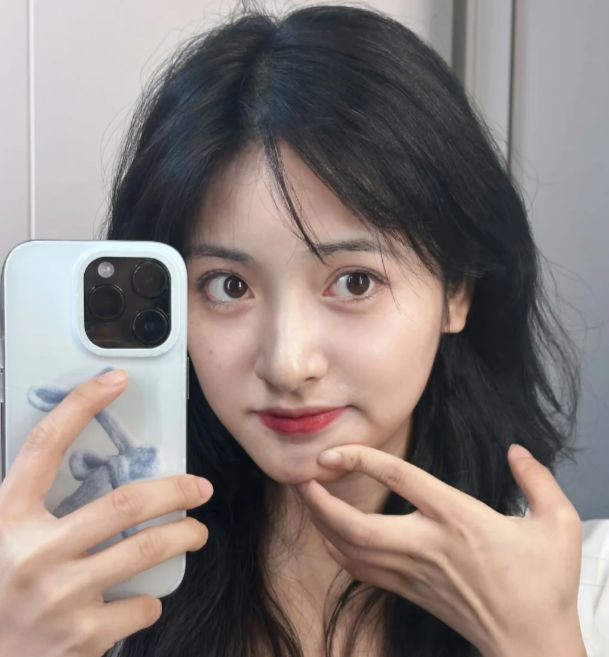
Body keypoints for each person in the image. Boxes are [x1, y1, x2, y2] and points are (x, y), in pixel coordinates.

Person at [1, 3, 605, 657]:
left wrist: (537, 641)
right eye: (228, 286)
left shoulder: (588, 597)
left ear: (456, 292)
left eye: (355, 282)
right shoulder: (73, 606)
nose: (288, 364)